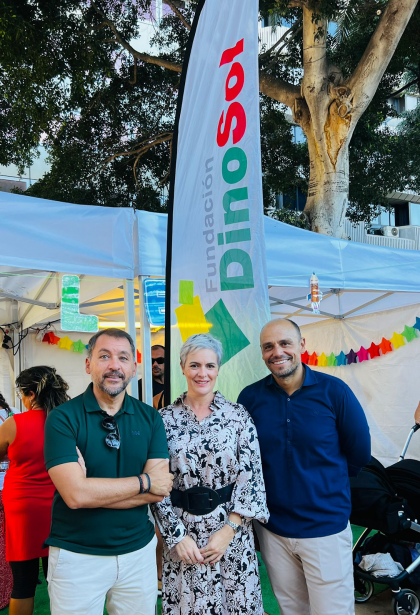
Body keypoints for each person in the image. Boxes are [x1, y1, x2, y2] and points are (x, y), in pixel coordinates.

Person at [237, 319, 371, 615]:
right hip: (273, 529)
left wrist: (321, 486)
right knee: (293, 610)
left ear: (301, 346)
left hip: (325, 528)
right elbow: (246, 459)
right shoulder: (250, 398)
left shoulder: (334, 392)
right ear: (262, 353)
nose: (278, 352)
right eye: (269, 346)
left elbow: (360, 452)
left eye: (285, 343)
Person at [43, 328, 173, 615]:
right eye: (105, 356)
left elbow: (160, 491)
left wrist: (92, 489)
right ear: (88, 364)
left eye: (123, 357)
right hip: (77, 556)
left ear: (133, 368)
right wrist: (145, 482)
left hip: (139, 554)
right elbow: (75, 496)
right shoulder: (62, 419)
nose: (115, 365)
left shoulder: (150, 417)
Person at [152, 333, 269, 615]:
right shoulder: (163, 419)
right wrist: (177, 536)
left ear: (218, 369)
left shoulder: (238, 416)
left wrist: (229, 531)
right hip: (183, 537)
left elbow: (251, 477)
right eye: (194, 365)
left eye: (209, 366)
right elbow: (156, 483)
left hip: (230, 534)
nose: (202, 373)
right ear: (181, 367)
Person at [0, 366, 70, 615]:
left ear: (30, 394)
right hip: (60, 505)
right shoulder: (67, 421)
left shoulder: (14, 423)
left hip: (22, 509)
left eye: (21, 393)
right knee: (61, 582)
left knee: (23, 582)